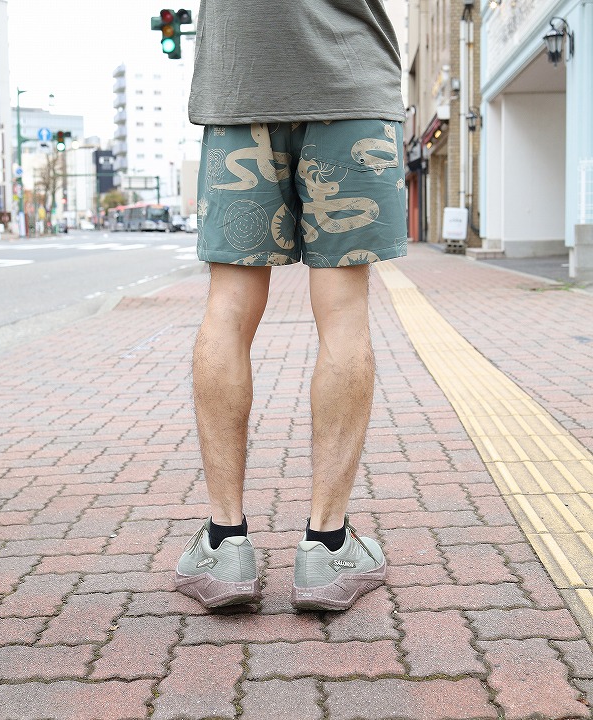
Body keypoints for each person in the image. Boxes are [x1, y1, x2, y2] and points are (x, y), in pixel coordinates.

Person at [174, 0, 407, 610]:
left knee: (228, 306)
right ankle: (326, 549)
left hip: (241, 85)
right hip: (350, 86)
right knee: (344, 311)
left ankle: (224, 544)